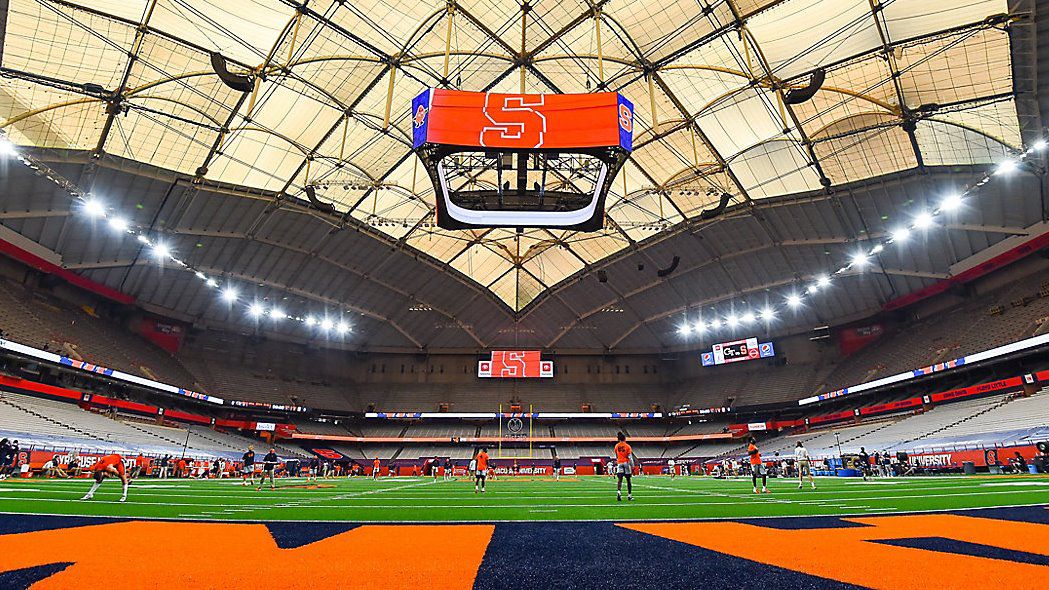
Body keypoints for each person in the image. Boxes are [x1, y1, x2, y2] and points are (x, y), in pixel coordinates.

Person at [613, 432, 635, 502]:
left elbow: (616, 455)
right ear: (625, 438)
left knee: (620, 479)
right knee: (628, 480)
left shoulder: (616, 446)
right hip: (626, 463)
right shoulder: (627, 446)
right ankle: (629, 495)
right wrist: (633, 466)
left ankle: (619, 492)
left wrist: (618, 460)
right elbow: (630, 457)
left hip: (619, 463)